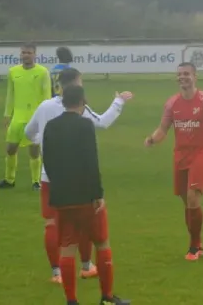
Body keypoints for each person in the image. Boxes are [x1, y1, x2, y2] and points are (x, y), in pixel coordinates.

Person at [25, 67, 133, 283]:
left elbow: (29, 132)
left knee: (51, 223)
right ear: (75, 84)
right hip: (76, 178)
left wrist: (43, 142)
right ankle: (85, 265)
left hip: (49, 176)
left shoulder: (45, 106)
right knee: (83, 222)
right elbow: (101, 122)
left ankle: (56, 273)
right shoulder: (79, 108)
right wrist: (119, 102)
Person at [43, 85, 130, 305]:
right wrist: (97, 194)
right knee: (101, 243)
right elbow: (91, 161)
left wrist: (58, 188)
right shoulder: (85, 125)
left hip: (62, 197)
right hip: (86, 197)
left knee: (68, 248)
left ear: (63, 101)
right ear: (83, 102)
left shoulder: (51, 127)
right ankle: (107, 298)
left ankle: (71, 300)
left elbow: (49, 162)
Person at [144, 62, 203, 261]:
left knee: (192, 198)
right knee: (187, 202)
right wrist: (152, 139)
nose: (182, 77)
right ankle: (198, 241)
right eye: (180, 74)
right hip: (180, 156)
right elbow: (163, 129)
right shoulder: (172, 104)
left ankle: (194, 246)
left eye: (187, 74)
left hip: (201, 156)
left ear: (195, 77)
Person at [0, 43, 51, 190]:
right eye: (24, 52)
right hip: (17, 118)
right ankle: (9, 180)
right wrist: (7, 114)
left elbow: (46, 96)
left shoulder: (43, 72)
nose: (26, 55)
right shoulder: (13, 72)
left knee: (34, 151)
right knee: (10, 149)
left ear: (35, 54)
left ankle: (35, 182)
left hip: (34, 117)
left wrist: (45, 116)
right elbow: (10, 95)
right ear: (20, 54)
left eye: (29, 53)